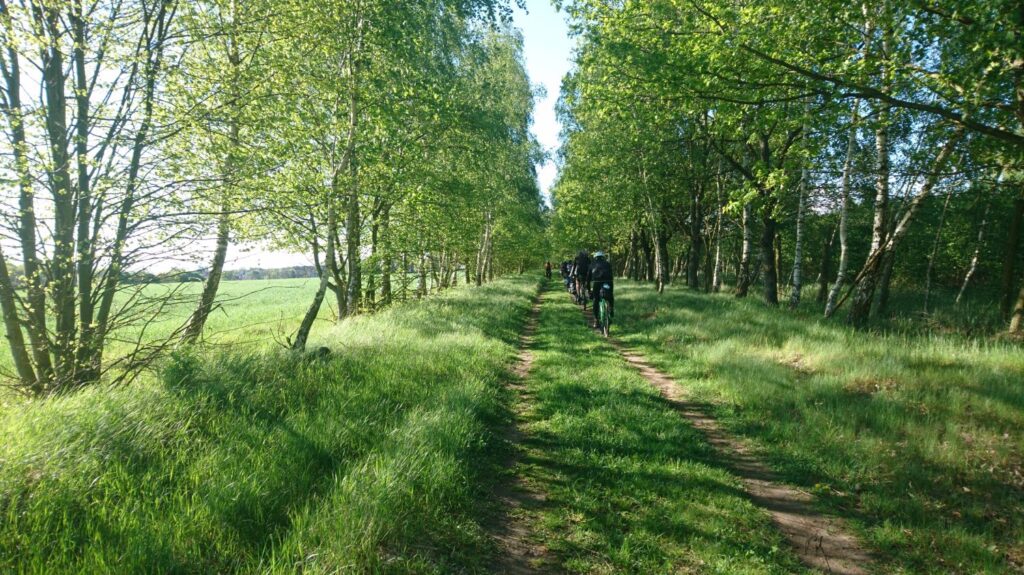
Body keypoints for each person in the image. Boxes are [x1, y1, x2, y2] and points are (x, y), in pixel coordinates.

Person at [589, 251, 614, 328]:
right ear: (603, 257)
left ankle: (596, 320)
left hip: (597, 283)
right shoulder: (607, 264)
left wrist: (589, 289)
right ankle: (611, 309)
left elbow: (588, 278)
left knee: (596, 299)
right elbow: (611, 275)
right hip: (608, 282)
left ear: (595, 257)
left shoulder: (592, 264)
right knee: (610, 295)